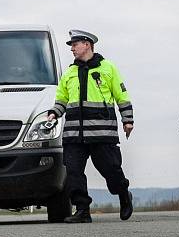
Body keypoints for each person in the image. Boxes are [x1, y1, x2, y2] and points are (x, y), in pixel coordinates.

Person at [47, 29, 134, 223]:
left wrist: (127, 120)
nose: (72, 49)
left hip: (102, 133)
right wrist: (54, 112)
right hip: (73, 134)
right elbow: (61, 100)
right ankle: (82, 210)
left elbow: (122, 96)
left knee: (111, 169)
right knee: (73, 172)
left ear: (87, 44)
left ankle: (123, 193)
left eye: (75, 44)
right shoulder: (69, 73)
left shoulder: (108, 68)